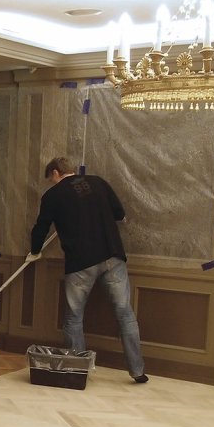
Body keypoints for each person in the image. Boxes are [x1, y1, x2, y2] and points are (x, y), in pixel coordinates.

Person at [27, 157, 147, 383]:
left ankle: (77, 372)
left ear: (55, 172)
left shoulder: (53, 195)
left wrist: (35, 251)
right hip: (112, 255)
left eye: (50, 179)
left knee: (74, 318)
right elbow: (119, 213)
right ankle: (137, 370)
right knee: (125, 313)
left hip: (81, 262)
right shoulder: (98, 182)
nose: (51, 183)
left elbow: (41, 227)